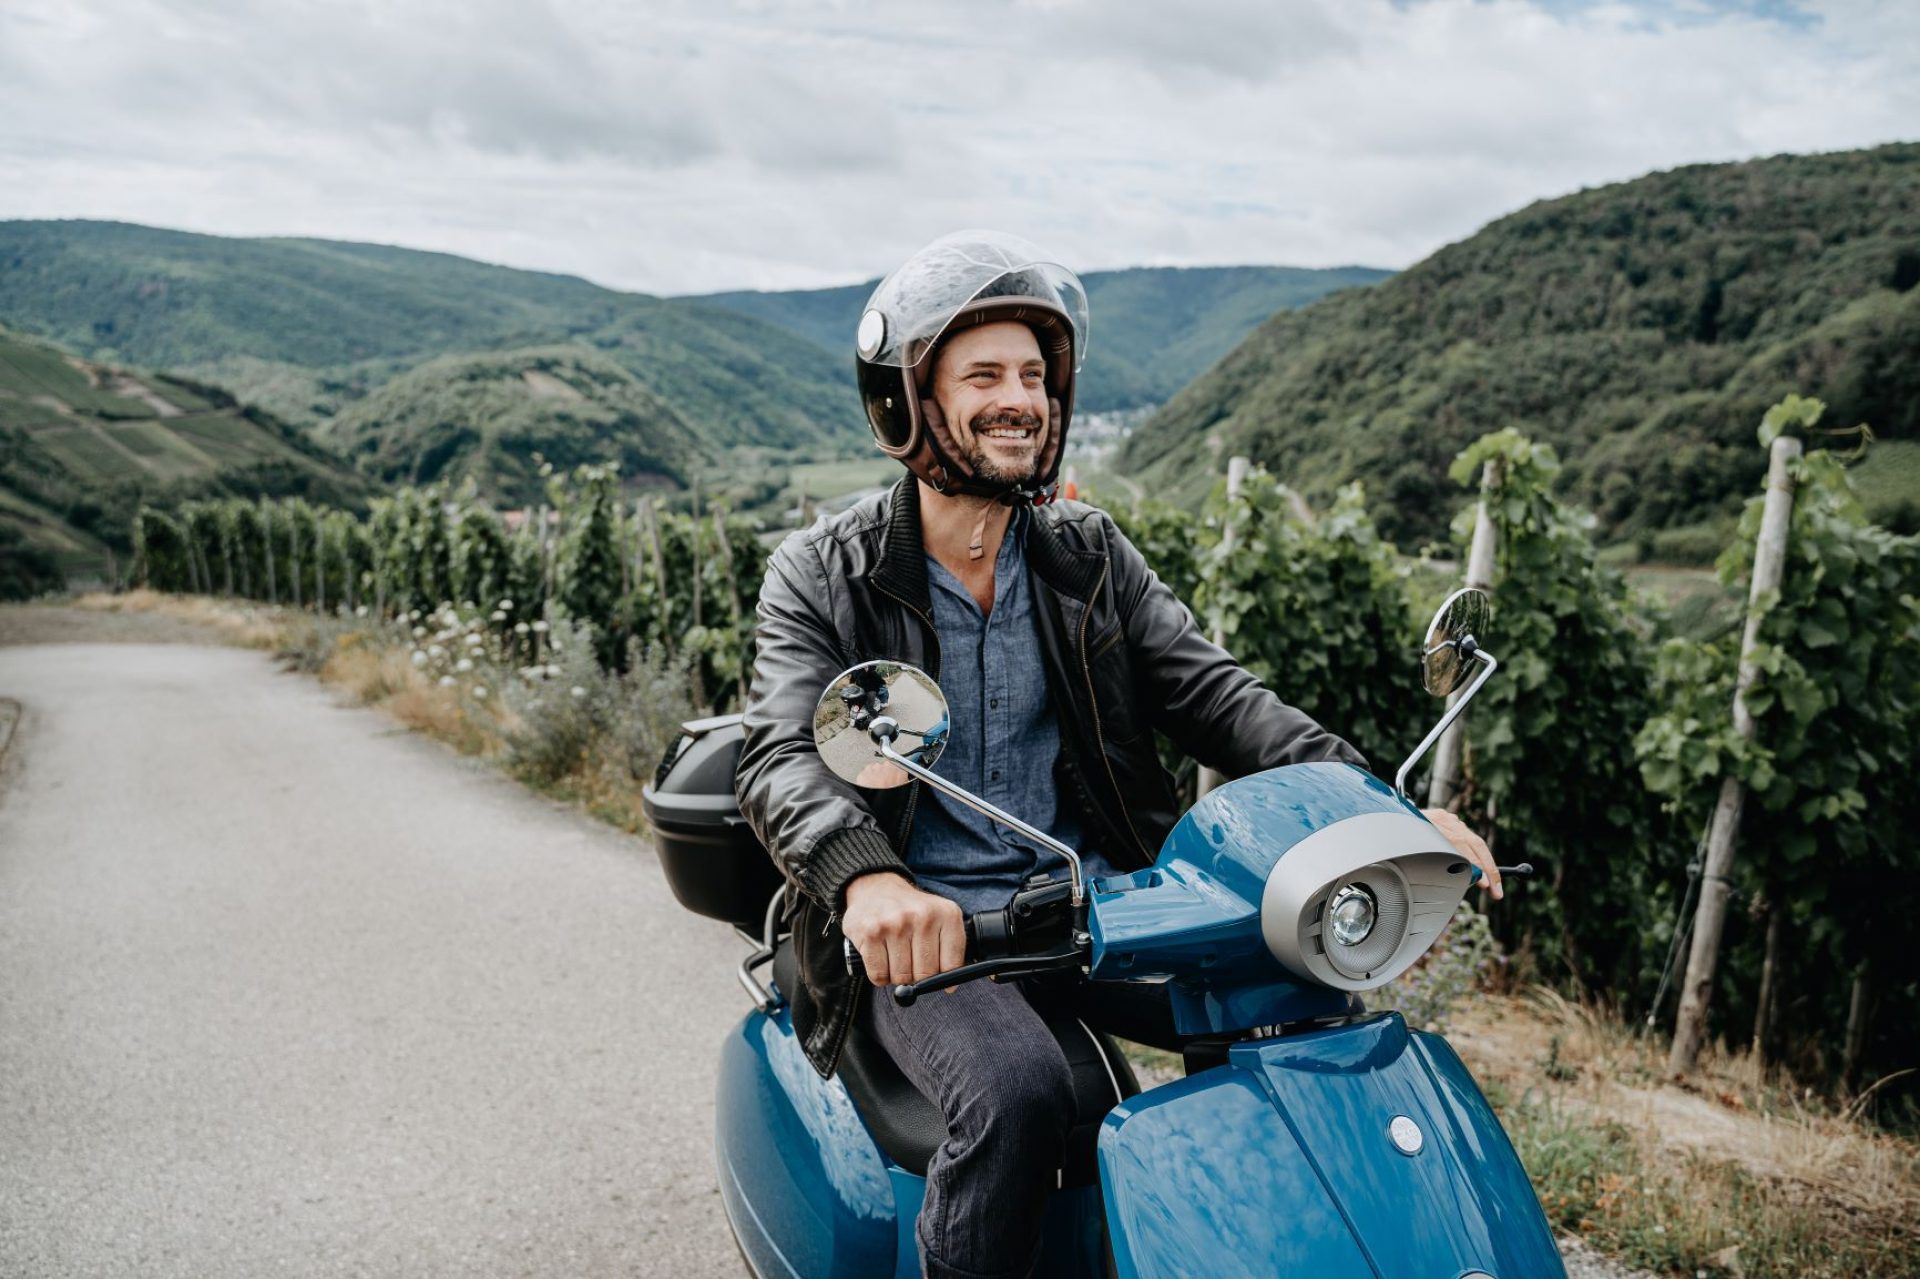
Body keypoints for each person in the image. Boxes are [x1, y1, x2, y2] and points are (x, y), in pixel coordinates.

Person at [734, 229, 1499, 1279]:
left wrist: (1378, 809)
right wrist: (866, 880)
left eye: (1036, 375)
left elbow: (1221, 698)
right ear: (908, 401)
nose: (1022, 398)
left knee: (1304, 1009)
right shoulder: (824, 573)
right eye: (986, 375)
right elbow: (781, 753)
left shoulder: (1088, 557)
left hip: (1103, 906)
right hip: (939, 933)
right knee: (1019, 1093)